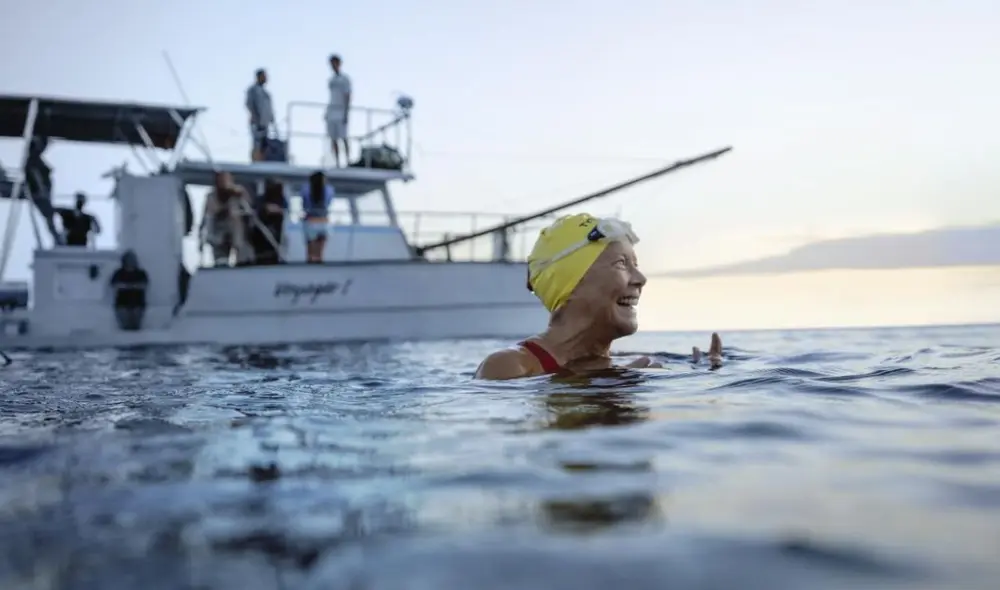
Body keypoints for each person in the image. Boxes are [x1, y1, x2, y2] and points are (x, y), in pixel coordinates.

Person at [475, 213, 723, 380]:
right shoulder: (508, 366)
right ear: (571, 283)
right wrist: (616, 383)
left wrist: (706, 372)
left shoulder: (622, 362)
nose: (640, 278)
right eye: (621, 264)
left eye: (635, 264)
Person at [200, 171, 253, 266]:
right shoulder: (212, 196)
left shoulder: (237, 194)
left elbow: (248, 210)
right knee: (221, 263)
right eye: (222, 179)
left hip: (236, 234)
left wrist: (240, 195)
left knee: (242, 262)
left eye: (227, 179)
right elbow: (207, 215)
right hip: (219, 236)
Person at [109, 250, 149, 331]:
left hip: (138, 303)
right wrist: (130, 286)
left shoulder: (141, 273)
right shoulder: (119, 273)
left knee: (136, 326)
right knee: (125, 327)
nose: (131, 262)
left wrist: (128, 286)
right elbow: (114, 284)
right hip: (122, 304)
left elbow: (144, 285)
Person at [325, 54, 352, 167]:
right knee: (333, 138)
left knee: (343, 137)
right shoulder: (331, 80)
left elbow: (348, 95)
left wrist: (346, 112)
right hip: (332, 111)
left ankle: (348, 160)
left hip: (341, 111)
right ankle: (337, 162)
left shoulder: (345, 79)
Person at [252, 178, 287, 265]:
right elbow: (256, 213)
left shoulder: (282, 200)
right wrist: (265, 209)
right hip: (262, 235)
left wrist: (278, 210)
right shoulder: (260, 199)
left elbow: (285, 211)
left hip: (277, 236)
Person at [301, 171, 333, 263]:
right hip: (324, 222)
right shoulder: (329, 189)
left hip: (311, 221)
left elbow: (304, 205)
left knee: (310, 255)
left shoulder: (306, 189)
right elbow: (329, 203)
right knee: (320, 255)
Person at [246, 68, 275, 162]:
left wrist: (271, 119)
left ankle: (262, 161)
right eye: (264, 76)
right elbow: (249, 104)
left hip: (265, 124)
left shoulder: (266, 93)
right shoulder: (253, 90)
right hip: (257, 123)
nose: (266, 78)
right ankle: (255, 161)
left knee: (264, 145)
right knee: (257, 144)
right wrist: (256, 117)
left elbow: (269, 108)